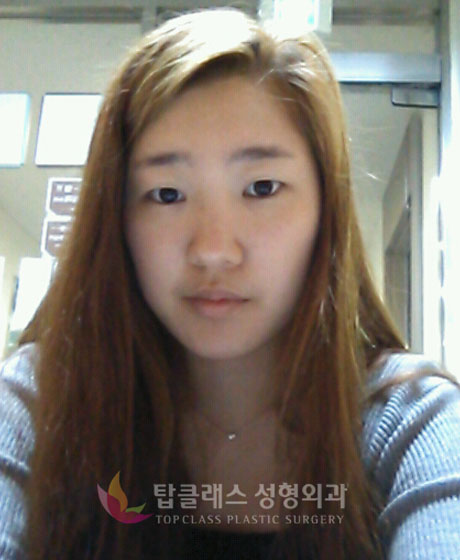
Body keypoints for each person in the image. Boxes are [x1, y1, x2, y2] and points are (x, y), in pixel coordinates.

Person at [1, 7, 460, 560]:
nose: (214, 249)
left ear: (326, 210)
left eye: (262, 188)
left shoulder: (411, 421)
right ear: (116, 220)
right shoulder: (43, 399)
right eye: (166, 194)